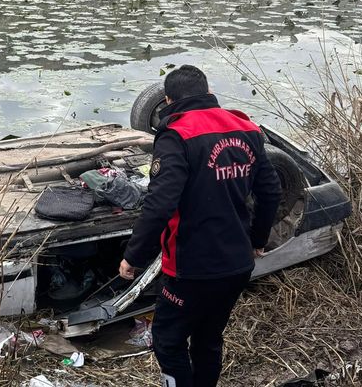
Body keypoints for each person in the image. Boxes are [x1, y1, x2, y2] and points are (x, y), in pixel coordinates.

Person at [119, 65, 282, 387]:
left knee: (168, 340)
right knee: (209, 338)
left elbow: (160, 204)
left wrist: (133, 256)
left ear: (168, 100)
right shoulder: (246, 127)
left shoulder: (176, 134)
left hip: (191, 267)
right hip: (237, 263)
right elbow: (271, 191)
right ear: (208, 92)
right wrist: (257, 240)